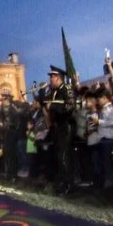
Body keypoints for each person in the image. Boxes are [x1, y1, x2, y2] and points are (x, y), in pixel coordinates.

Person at [44, 65, 75, 194]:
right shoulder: (53, 91)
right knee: (57, 156)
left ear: (58, 77)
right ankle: (60, 182)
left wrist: (53, 107)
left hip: (65, 126)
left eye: (52, 77)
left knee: (64, 156)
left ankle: (68, 185)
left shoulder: (67, 89)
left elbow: (69, 107)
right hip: (56, 127)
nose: (50, 79)